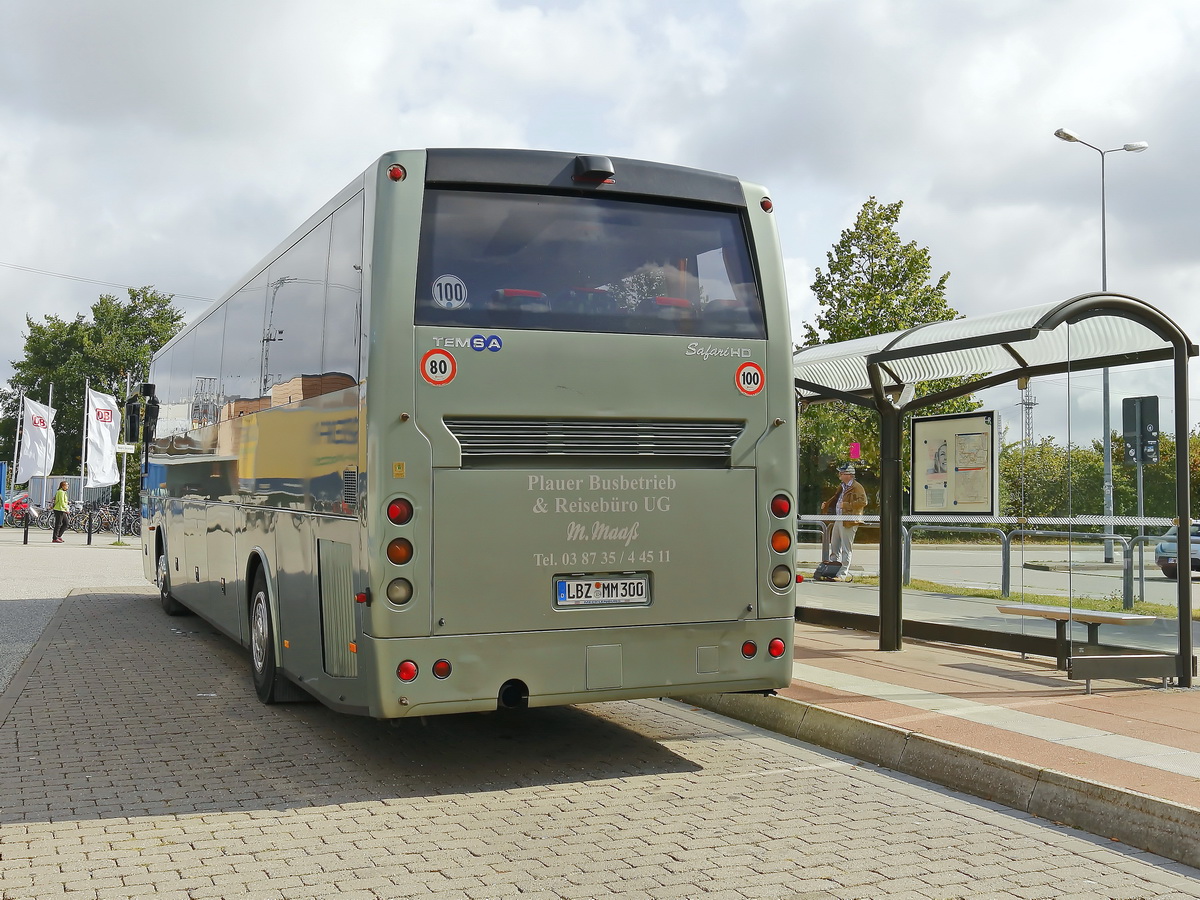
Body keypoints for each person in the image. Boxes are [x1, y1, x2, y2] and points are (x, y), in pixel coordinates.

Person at [821, 463, 867, 574]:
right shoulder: (842, 486)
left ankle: (842, 573)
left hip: (849, 521)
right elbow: (835, 499)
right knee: (835, 546)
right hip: (839, 519)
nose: (839, 475)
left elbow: (863, 502)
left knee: (846, 549)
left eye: (842, 473)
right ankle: (832, 570)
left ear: (849, 475)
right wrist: (826, 505)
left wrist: (846, 505)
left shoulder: (857, 487)